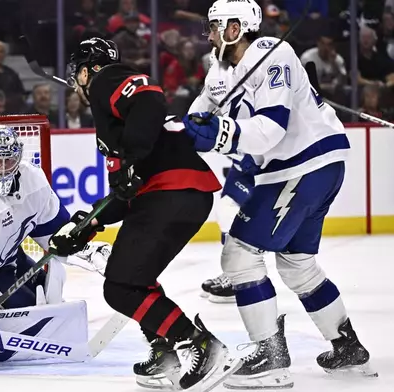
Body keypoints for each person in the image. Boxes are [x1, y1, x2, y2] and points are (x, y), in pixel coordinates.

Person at [181, 0, 376, 388]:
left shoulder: (272, 52)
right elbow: (197, 121)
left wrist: (221, 134)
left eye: (217, 26)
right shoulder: (220, 71)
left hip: (302, 163)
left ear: (238, 27)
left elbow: (270, 128)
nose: (210, 34)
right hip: (305, 167)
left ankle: (269, 355)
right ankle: (347, 348)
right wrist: (176, 129)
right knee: (297, 264)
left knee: (238, 253)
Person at [47, 37, 240, 391]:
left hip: (172, 193)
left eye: (78, 75)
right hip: (178, 195)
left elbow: (150, 96)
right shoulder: (115, 121)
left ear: (89, 70)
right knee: (134, 277)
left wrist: (130, 160)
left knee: (120, 287)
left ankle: (199, 344)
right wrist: (87, 225)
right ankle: (163, 350)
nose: (76, 84)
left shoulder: (108, 77)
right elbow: (124, 195)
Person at [0, 125, 110, 366]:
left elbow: (56, 235)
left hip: (7, 259)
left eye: (10, 160)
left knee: (42, 302)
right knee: (21, 317)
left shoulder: (34, 179)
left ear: (19, 156)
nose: (4, 168)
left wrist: (88, 251)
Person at [201, 158, 255, 304]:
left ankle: (242, 277)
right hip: (241, 167)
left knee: (240, 216)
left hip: (263, 169)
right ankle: (234, 273)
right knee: (226, 209)